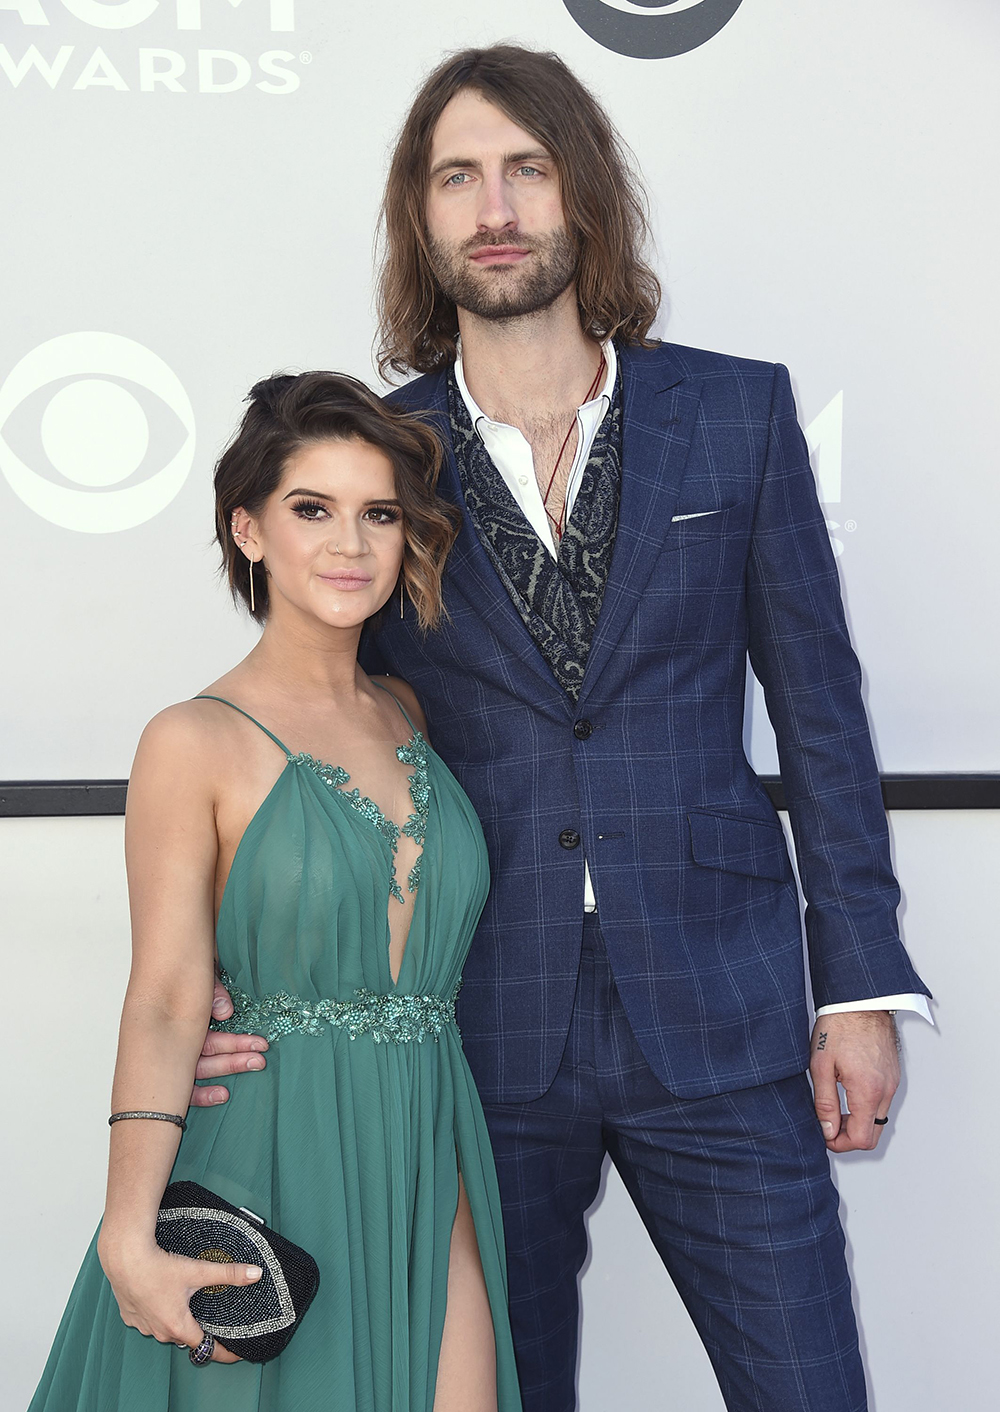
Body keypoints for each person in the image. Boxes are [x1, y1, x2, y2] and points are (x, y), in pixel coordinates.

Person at [194, 45, 932, 1412]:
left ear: (580, 195)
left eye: (526, 170)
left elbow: (821, 713)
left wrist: (858, 988)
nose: (495, 206)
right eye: (457, 176)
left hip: (721, 1011)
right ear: (421, 219)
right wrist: (225, 968)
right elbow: (313, 714)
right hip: (473, 1023)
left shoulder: (734, 414)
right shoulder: (385, 461)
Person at [29, 371, 523, 1412]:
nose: (350, 543)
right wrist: (128, 1229)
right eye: (313, 509)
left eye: (377, 513)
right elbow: (167, 992)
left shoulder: (406, 710)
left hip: (427, 1149)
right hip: (269, 1158)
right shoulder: (192, 737)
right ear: (248, 530)